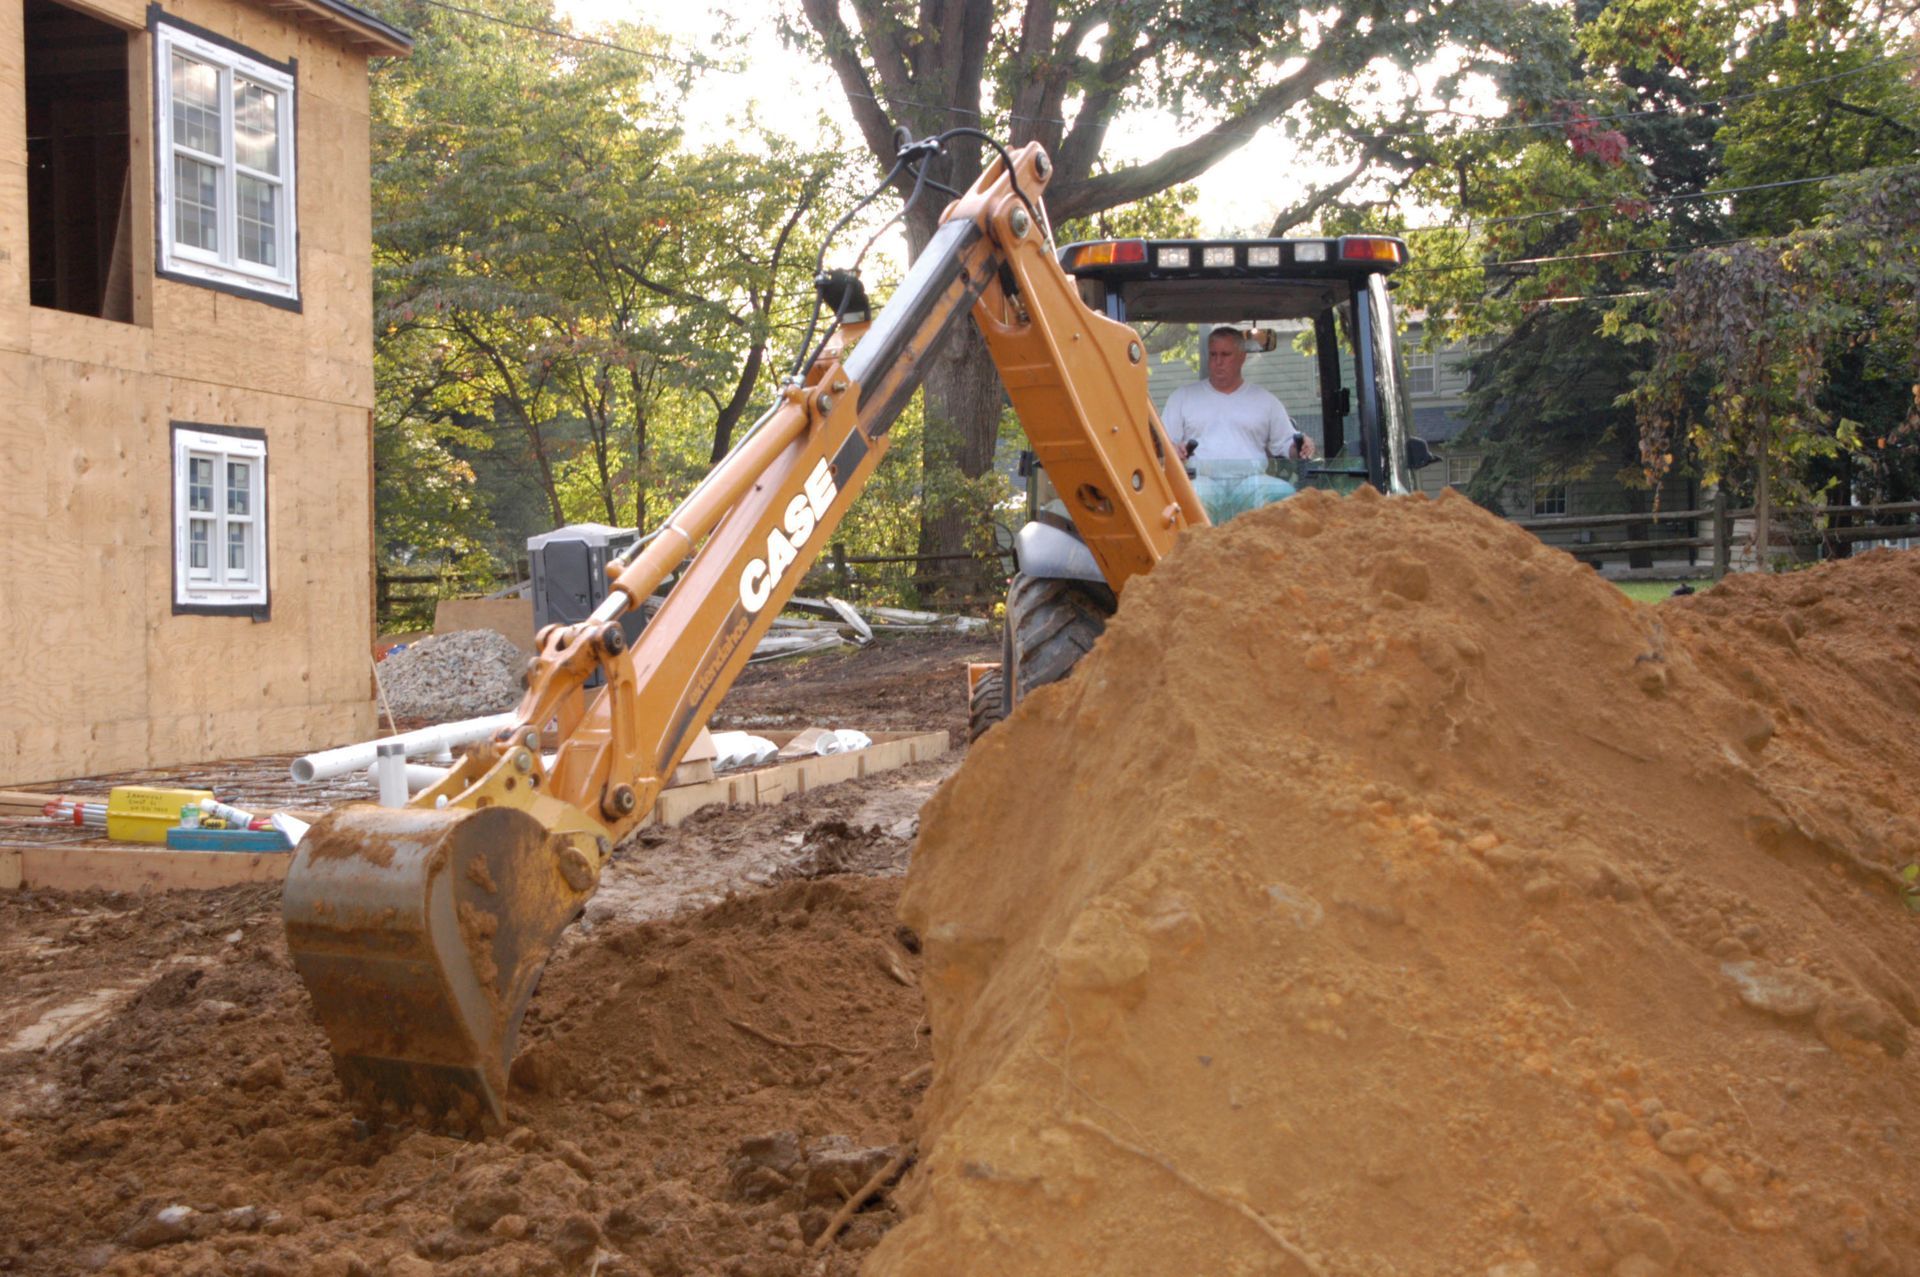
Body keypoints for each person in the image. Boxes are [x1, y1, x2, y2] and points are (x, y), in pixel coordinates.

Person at [1162, 326, 1316, 469]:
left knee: (1282, 492)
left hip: (1253, 483)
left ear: (1242, 357)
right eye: (1213, 354)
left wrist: (1300, 447)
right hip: (1199, 482)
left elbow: (1286, 444)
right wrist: (1174, 449)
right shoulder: (1181, 398)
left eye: (1225, 354)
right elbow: (1162, 445)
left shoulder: (1266, 401)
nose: (1218, 362)